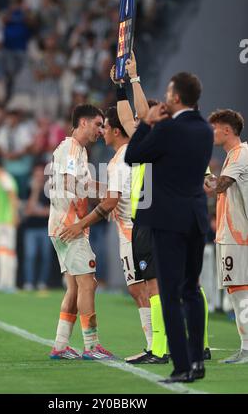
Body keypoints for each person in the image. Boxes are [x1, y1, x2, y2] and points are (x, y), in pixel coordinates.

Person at [60, 106, 169, 363]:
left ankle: (157, 346)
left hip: (132, 231)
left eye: (105, 127)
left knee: (141, 289)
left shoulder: (122, 158)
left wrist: (80, 223)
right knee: (144, 288)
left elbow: (110, 202)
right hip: (137, 227)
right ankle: (160, 345)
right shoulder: (129, 155)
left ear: (117, 131)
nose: (102, 132)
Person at [124, 71, 213, 383]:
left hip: (167, 221)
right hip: (197, 218)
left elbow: (133, 156)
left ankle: (181, 366)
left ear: (175, 98)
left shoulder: (167, 130)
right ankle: (199, 361)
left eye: (168, 92)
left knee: (170, 293)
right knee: (191, 288)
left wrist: (147, 122)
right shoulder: (205, 130)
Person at [48, 104, 114, 360]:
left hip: (61, 225)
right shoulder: (73, 148)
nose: (101, 129)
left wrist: (110, 190)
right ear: (83, 123)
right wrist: (85, 216)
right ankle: (92, 345)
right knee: (89, 283)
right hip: (70, 226)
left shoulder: (74, 150)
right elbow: (70, 182)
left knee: (75, 288)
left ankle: (61, 344)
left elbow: (82, 183)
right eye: (98, 124)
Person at [206, 109, 248, 364]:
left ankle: (246, 347)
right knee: (237, 289)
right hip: (232, 233)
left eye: (214, 128)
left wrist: (201, 168)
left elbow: (218, 186)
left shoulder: (240, 154)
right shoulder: (234, 155)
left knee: (239, 289)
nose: (211, 133)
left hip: (237, 233)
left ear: (227, 130)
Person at [0, 156, 19, 292]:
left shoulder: (3, 178)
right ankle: (5, 283)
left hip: (5, 221)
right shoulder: (0, 180)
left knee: (5, 252)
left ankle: (6, 283)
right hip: (2, 221)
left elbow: (12, 195)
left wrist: (14, 215)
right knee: (6, 252)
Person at [22, 163, 52, 291]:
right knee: (30, 256)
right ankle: (29, 282)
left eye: (41, 174)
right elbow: (27, 211)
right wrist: (35, 191)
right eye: (36, 174)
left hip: (46, 228)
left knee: (46, 256)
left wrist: (37, 211)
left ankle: (42, 282)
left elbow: (53, 211)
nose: (39, 177)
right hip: (31, 229)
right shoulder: (28, 189)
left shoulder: (50, 190)